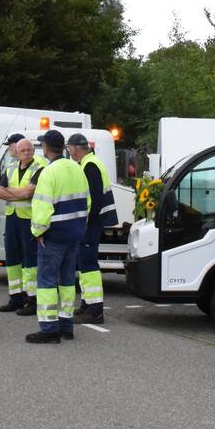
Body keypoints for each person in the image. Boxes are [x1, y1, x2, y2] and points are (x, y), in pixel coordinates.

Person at [26, 130, 90, 344]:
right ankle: (66, 325)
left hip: (53, 236)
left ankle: (49, 328)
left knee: (46, 281)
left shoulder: (48, 172)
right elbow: (86, 203)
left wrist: (38, 232)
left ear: (45, 148)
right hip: (75, 233)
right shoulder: (77, 168)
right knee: (67, 281)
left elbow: (42, 207)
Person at [67, 133, 118, 325]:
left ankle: (95, 310)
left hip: (90, 222)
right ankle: (87, 305)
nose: (69, 151)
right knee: (84, 264)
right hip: (91, 221)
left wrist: (82, 222)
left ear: (75, 148)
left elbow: (92, 200)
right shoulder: (89, 163)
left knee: (88, 265)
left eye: (69, 148)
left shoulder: (90, 165)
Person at [0, 135, 47, 313]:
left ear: (33, 151)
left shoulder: (39, 168)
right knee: (12, 260)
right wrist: (20, 193)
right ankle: (15, 297)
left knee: (29, 261)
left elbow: (29, 192)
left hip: (28, 219)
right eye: (22, 150)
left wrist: (11, 191)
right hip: (12, 218)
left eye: (29, 150)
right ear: (16, 152)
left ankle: (31, 299)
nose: (26, 153)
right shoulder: (10, 168)